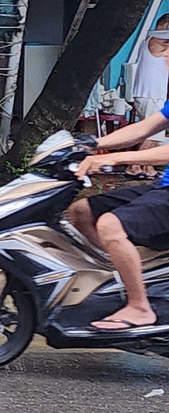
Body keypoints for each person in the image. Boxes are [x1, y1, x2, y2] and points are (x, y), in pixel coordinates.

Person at [66, 100, 169, 330]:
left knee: (110, 225)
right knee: (82, 211)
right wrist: (92, 144)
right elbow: (143, 129)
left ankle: (140, 308)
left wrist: (115, 157)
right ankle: (119, 285)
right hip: (164, 185)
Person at [131, 18, 169, 116]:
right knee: (155, 131)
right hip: (151, 96)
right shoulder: (156, 43)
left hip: (146, 96)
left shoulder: (148, 40)